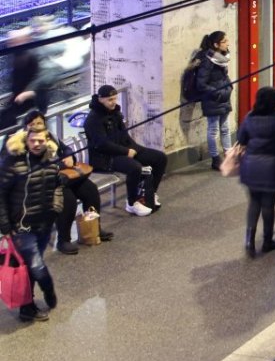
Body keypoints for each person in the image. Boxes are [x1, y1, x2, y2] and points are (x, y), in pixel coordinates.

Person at [5, 110, 113, 253]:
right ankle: (64, 240)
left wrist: (69, 156)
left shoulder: (50, 137)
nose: (36, 126)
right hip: (40, 185)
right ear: (26, 127)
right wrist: (60, 165)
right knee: (68, 199)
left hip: (62, 177)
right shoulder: (21, 144)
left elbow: (65, 149)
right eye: (32, 124)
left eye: (39, 123)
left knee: (90, 190)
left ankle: (94, 227)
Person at [0, 126, 61, 321]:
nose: (36, 144)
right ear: (26, 141)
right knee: (37, 267)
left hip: (43, 224)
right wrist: (5, 227)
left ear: (46, 140)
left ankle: (27, 308)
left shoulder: (51, 162)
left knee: (30, 267)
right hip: (21, 228)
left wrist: (56, 207)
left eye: (40, 141)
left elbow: (57, 185)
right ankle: (48, 292)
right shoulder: (13, 164)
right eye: (33, 140)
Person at [84, 85, 167, 217]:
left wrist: (135, 148)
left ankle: (150, 194)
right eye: (110, 99)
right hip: (104, 158)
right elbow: (102, 144)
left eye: (115, 99)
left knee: (159, 158)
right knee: (135, 168)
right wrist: (126, 151)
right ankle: (132, 202)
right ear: (100, 99)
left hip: (121, 150)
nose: (113, 102)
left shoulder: (115, 113)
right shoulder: (93, 119)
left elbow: (124, 135)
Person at [236, 87, 275, 258]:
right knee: (268, 206)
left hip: (251, 166)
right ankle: (267, 241)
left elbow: (241, 138)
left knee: (254, 203)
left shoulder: (249, 117)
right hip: (272, 167)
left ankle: (249, 242)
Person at [196, 31, 234, 170]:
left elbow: (224, 77)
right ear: (216, 44)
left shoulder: (222, 58)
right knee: (213, 130)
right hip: (213, 99)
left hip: (224, 97)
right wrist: (217, 93)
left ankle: (229, 156)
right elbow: (201, 84)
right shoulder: (207, 60)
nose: (228, 43)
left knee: (225, 128)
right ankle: (215, 159)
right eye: (225, 41)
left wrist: (229, 87)